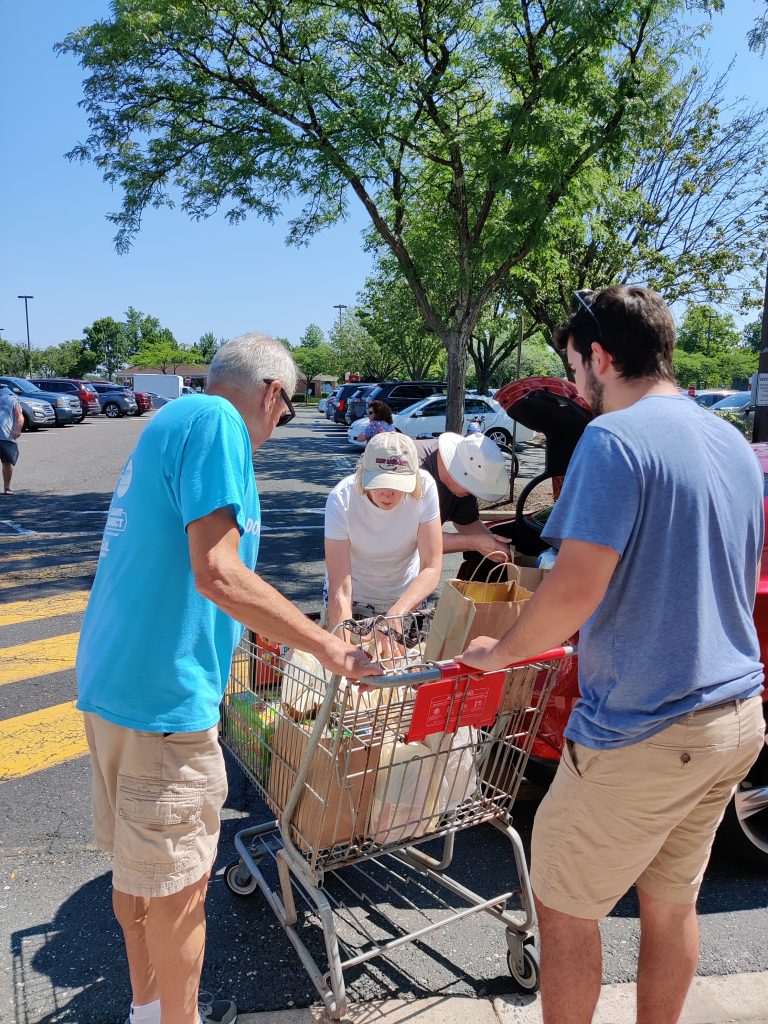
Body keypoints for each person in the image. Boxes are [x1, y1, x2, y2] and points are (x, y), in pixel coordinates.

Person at [459, 286, 765, 1024]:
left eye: (574, 367)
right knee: (672, 904)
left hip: (643, 731)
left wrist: (499, 653)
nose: (575, 386)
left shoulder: (612, 439)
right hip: (736, 718)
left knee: (564, 909)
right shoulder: (729, 440)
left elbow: (573, 591)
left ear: (600, 356)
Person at [76, 334, 377, 1024]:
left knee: (138, 870)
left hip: (114, 681)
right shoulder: (217, 422)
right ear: (272, 393)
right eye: (288, 409)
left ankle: (148, 1009)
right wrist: (327, 648)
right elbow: (219, 573)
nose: (280, 424)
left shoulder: (171, 420)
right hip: (163, 699)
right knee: (180, 889)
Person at [324, 431, 442, 633]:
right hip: (354, 595)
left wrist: (397, 613)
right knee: (347, 647)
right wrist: (342, 642)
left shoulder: (425, 487)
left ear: (414, 478)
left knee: (403, 651)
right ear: (363, 471)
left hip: (406, 595)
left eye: (398, 485)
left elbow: (431, 566)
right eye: (379, 482)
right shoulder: (341, 498)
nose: (388, 493)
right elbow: (340, 589)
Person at [414, 432, 512, 562]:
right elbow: (412, 539)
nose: (474, 492)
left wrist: (497, 547)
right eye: (472, 485)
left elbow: (467, 522)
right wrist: (474, 542)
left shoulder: (461, 485)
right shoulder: (411, 469)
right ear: (459, 471)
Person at [0, 384, 23, 494]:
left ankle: (7, 488)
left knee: (7, 463)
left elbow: (19, 416)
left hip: (6, 436)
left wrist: (18, 428)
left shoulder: (11, 400)